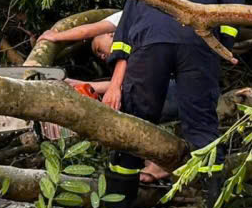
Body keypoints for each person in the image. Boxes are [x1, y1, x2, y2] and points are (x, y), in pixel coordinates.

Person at [101, 0, 245, 208]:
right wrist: (222, 50)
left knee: (134, 123)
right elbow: (231, 16)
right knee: (203, 127)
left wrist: (116, 85)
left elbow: (125, 32)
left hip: (149, 39)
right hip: (198, 40)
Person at [36, 13, 180, 180]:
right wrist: (82, 84)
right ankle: (155, 161)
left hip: (173, 89)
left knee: (128, 106)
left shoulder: (128, 18)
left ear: (111, 34)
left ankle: (160, 163)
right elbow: (124, 83)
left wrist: (55, 36)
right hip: (176, 86)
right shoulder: (137, 45)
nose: (102, 57)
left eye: (99, 50)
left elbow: (87, 30)